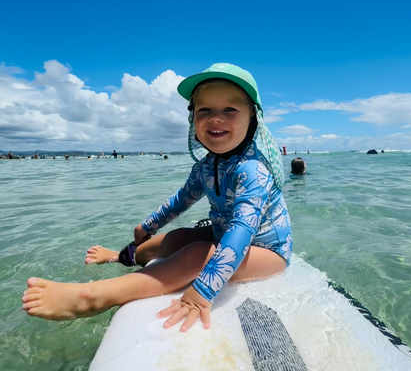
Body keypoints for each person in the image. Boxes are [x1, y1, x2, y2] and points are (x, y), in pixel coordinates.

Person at [22, 63, 292, 333]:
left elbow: (242, 231)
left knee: (198, 254)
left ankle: (93, 297)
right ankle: (120, 257)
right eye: (204, 110)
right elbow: (180, 200)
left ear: (252, 119)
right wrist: (147, 226)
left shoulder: (254, 170)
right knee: (176, 238)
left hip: (269, 252)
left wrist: (203, 291)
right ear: (192, 118)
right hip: (226, 234)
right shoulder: (206, 166)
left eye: (229, 109)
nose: (215, 118)